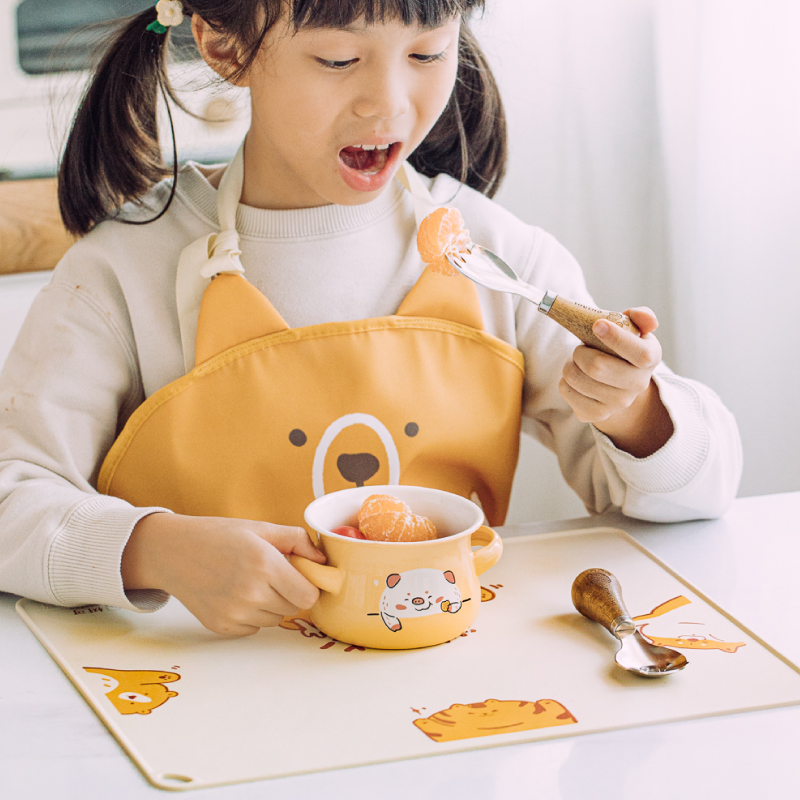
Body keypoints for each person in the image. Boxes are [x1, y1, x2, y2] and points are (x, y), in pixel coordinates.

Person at [0, 0, 741, 637]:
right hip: (206, 714)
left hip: (443, 710)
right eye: (337, 59)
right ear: (226, 46)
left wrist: (637, 413)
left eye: (427, 52)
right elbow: (11, 499)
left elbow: (703, 493)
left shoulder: (498, 258)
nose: (387, 103)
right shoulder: (121, 276)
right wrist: (153, 549)